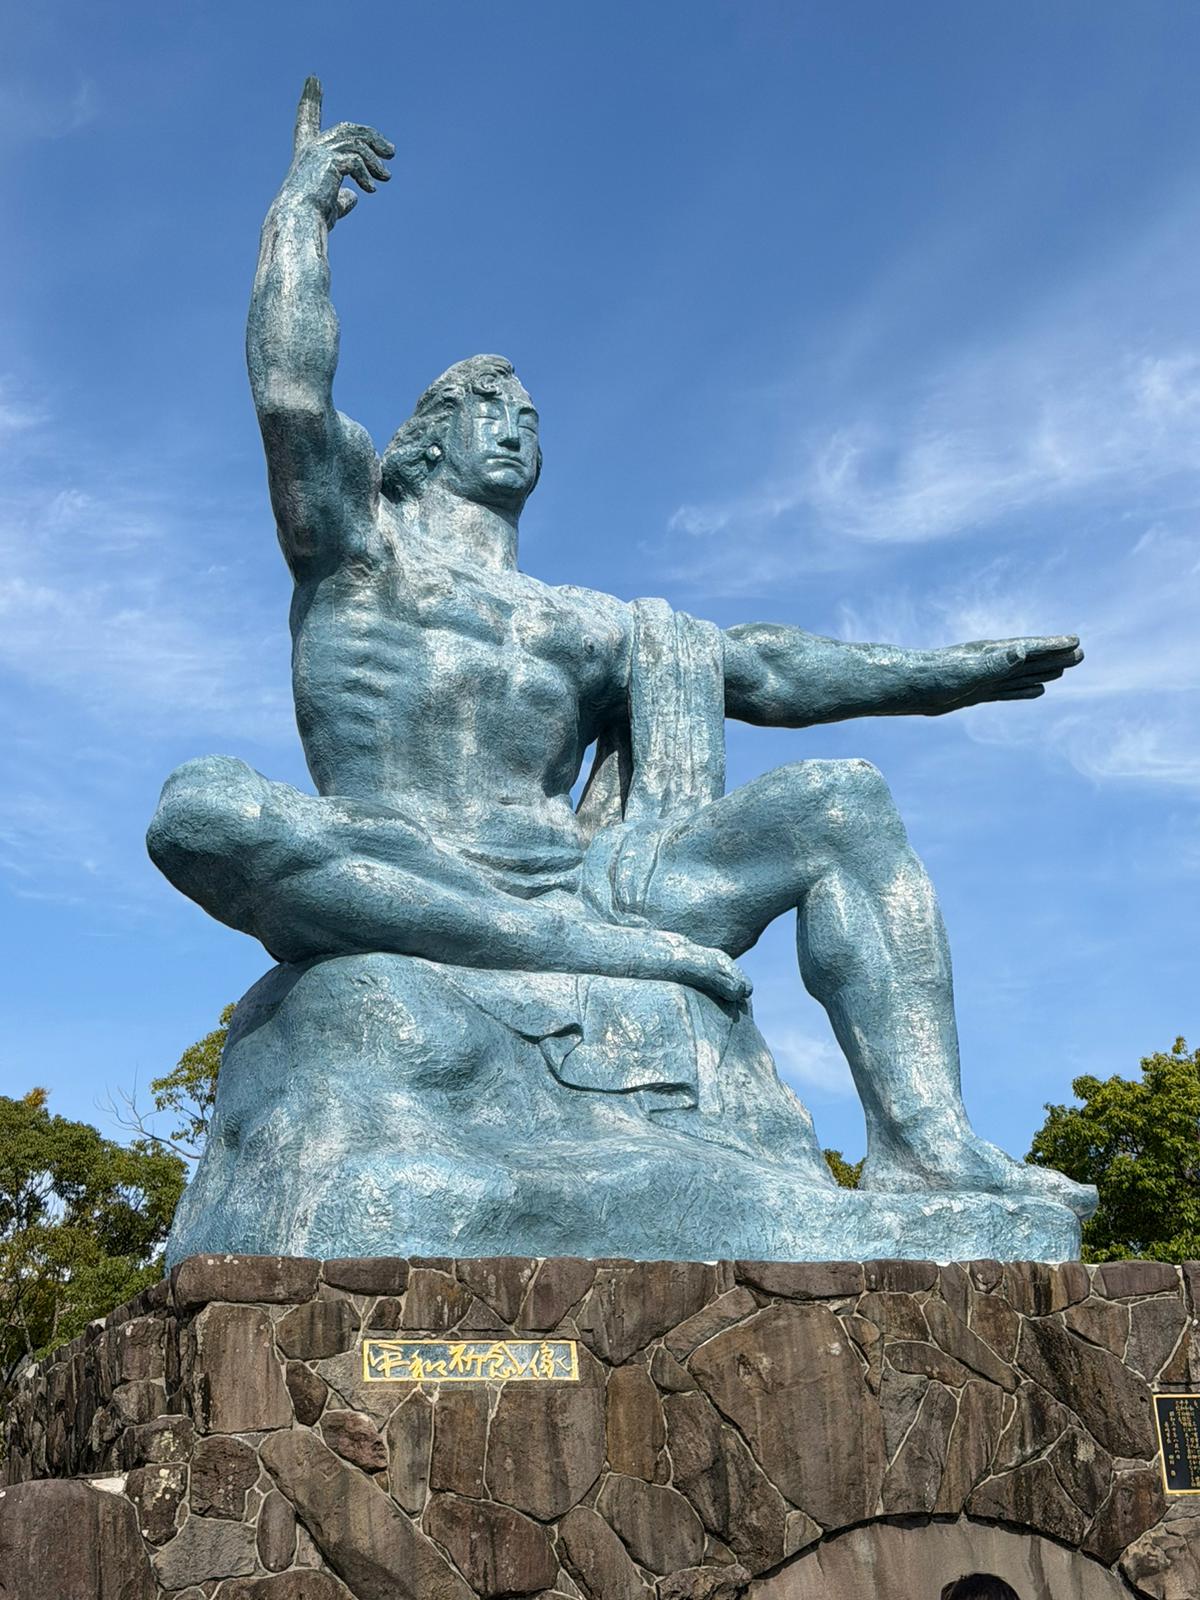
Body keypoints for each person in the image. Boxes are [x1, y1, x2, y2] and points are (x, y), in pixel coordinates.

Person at [149, 80, 1091, 1211]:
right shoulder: (360, 550)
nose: (515, 425)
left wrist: (944, 676)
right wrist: (298, 214)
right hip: (398, 863)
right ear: (423, 440)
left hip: (591, 884)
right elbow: (293, 396)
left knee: (842, 802)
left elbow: (768, 670)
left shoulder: (585, 623)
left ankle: (928, 1144)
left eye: (530, 417)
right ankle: (544, 945)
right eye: (487, 406)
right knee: (202, 808)